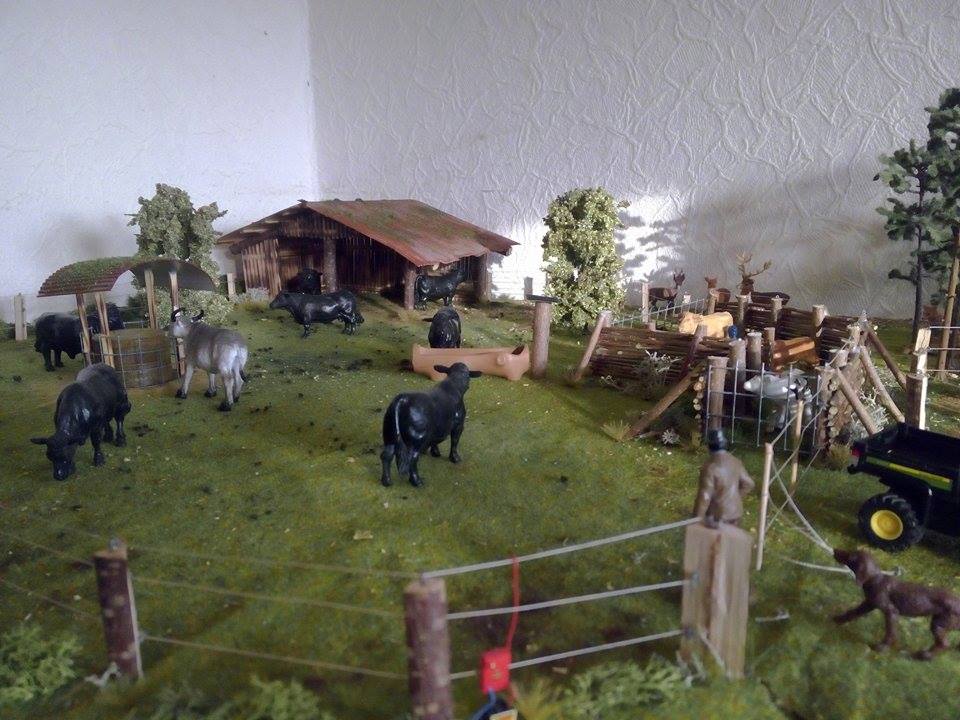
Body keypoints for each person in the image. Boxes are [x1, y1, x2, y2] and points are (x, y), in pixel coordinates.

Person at [693, 429, 755, 528]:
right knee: (731, 536)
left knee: (712, 537)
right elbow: (749, 483)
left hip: (717, 517)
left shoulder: (710, 467)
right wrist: (735, 498)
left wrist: (696, 519)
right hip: (736, 514)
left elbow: (705, 496)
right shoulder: (736, 461)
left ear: (709, 446)